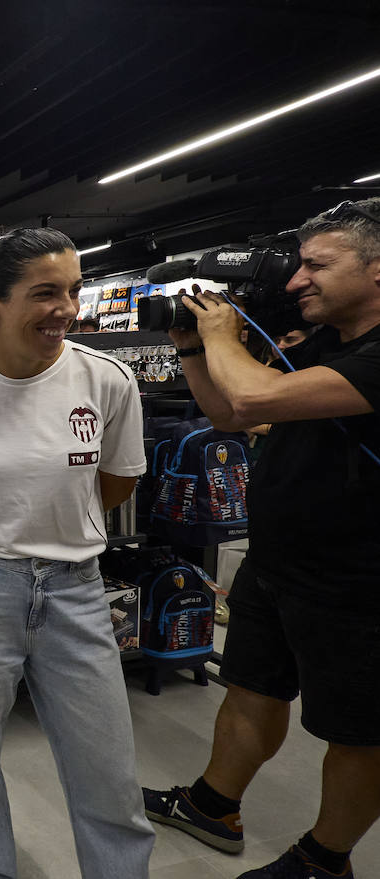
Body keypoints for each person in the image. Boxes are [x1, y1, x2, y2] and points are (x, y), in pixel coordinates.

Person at [0, 225, 154, 879]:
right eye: (46, 293)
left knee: (108, 768)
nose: (67, 308)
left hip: (75, 588)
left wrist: (56, 526)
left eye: (73, 290)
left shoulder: (107, 381)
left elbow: (119, 479)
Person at [142, 198, 380, 879]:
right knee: (250, 687)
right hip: (279, 561)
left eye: (317, 265)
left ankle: (324, 859)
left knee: (359, 731)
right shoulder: (326, 343)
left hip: (357, 580)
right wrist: (192, 343)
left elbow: (252, 399)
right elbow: (225, 411)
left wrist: (223, 331)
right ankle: (213, 805)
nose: (298, 279)